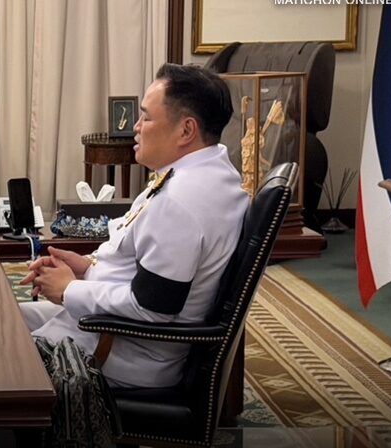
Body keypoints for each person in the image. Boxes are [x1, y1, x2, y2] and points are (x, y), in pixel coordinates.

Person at [20, 63, 248, 389]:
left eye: (146, 117)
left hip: (125, 349)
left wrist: (69, 290)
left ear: (186, 130)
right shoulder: (212, 170)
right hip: (119, 329)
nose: (135, 128)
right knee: (6, 319)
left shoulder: (180, 201)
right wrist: (87, 268)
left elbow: (154, 307)